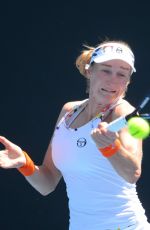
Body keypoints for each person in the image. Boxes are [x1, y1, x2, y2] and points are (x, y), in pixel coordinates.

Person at [0, 40, 150, 230]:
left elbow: (132, 173)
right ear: (89, 71)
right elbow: (47, 183)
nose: (113, 80)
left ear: (127, 81)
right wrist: (24, 163)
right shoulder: (69, 112)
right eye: (106, 70)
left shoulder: (123, 114)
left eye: (121, 74)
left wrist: (110, 147)